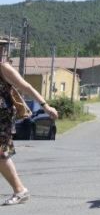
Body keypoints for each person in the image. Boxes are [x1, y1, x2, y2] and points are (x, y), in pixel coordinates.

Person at [0, 62, 59, 205]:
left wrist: (45, 106)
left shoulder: (3, 67)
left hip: (2, 116)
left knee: (1, 153)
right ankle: (20, 190)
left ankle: (20, 190)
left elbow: (26, 87)